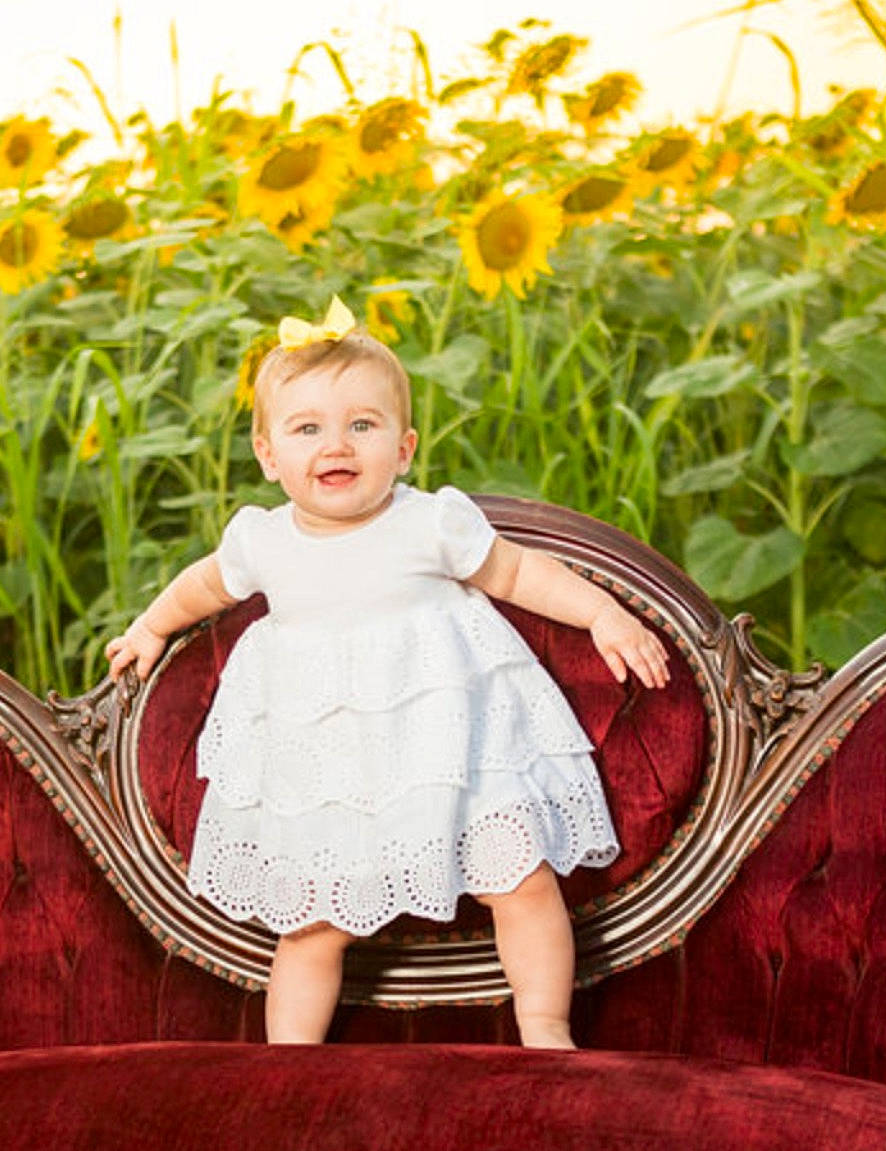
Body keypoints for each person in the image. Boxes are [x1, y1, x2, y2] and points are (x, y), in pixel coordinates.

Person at [105, 297, 669, 1049]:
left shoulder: (429, 522)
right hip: (329, 761)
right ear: (268, 455)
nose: (336, 445)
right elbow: (201, 587)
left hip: (451, 748)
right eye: (307, 429)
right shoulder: (263, 541)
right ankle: (289, 1061)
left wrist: (602, 613)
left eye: (362, 426)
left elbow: (515, 573)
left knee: (524, 882)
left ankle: (545, 1027)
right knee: (310, 925)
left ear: (403, 449)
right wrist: (150, 626)